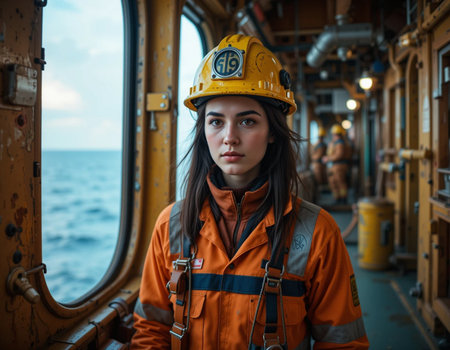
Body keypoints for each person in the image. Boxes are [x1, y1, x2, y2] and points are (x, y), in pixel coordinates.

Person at [131, 34, 369, 349]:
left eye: (247, 121)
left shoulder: (317, 233)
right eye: (216, 122)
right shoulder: (171, 225)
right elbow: (151, 331)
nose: (229, 137)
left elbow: (342, 344)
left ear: (272, 132)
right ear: (203, 131)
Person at [322, 124, 350, 204]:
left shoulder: (340, 143)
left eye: (334, 134)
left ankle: (343, 199)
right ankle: (337, 198)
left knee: (340, 182)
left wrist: (328, 158)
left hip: (339, 166)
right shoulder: (335, 143)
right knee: (333, 182)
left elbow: (339, 155)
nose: (333, 135)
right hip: (334, 166)